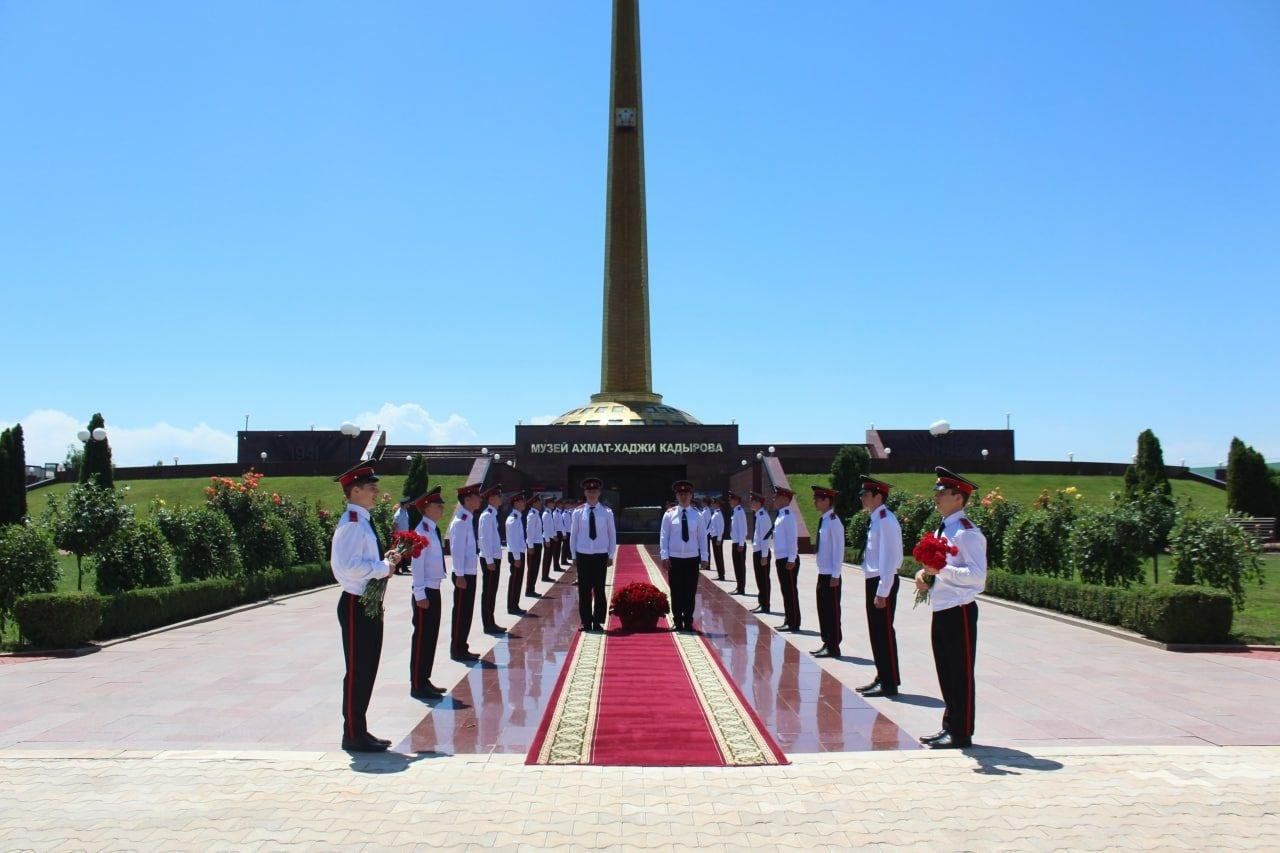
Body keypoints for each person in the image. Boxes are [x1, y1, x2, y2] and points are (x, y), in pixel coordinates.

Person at [330, 462, 402, 752]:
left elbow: (362, 563)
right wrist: (383, 567)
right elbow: (347, 568)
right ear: (355, 490)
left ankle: (360, 728)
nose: (376, 492)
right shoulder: (352, 523)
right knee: (358, 670)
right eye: (371, 488)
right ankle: (353, 733)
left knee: (367, 669)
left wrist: (384, 562)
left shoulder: (363, 521)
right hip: (355, 603)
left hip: (367, 602)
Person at [915, 467, 987, 750]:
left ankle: (961, 731)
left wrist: (940, 570)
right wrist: (925, 577)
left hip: (960, 610)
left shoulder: (967, 533)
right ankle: (950, 724)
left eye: (942, 493)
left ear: (959, 498)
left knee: (960, 673)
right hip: (942, 607)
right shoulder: (943, 528)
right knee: (946, 671)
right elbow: (938, 569)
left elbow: (977, 578)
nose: (936, 497)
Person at [856, 476, 903, 697]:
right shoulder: (876, 518)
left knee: (883, 632)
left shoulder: (886, 520)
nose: (862, 498)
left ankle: (889, 682)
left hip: (882, 581)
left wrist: (883, 590)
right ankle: (882, 675)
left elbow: (891, 558)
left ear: (878, 496)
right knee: (877, 633)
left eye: (866, 494)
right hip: (874, 579)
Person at [409, 486, 447, 699]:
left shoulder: (431, 529)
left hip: (434, 589)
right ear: (426, 508)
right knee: (422, 637)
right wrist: (420, 594)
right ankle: (417, 683)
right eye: (438, 506)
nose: (442, 509)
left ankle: (425, 679)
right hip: (425, 593)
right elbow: (417, 565)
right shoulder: (421, 532)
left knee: (430, 637)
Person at [567, 478, 616, 630]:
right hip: (583, 555)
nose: (592, 494)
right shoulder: (578, 512)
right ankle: (586, 621)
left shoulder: (606, 512)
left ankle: (598, 620)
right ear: (585, 493)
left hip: (600, 555)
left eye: (594, 491)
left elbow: (612, 534)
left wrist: (610, 554)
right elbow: (573, 534)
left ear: (599, 493)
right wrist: (574, 555)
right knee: (584, 589)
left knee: (599, 589)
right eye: (589, 491)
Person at [659, 480, 708, 631]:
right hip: (675, 558)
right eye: (681, 494)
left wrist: (704, 557)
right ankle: (677, 621)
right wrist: (664, 556)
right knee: (676, 590)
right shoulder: (669, 514)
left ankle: (688, 621)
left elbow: (702, 537)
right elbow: (664, 536)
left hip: (692, 558)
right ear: (677, 496)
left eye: (686, 493)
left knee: (690, 591)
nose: (684, 496)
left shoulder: (697, 515)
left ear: (691, 495)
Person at [448, 483, 483, 661]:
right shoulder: (461, 521)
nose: (480, 499)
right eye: (477, 496)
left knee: (466, 612)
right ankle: (457, 649)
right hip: (463, 574)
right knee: (461, 613)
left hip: (468, 572)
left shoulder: (468, 518)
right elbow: (457, 550)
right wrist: (460, 575)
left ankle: (463, 646)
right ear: (467, 499)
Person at [810, 485, 845, 658]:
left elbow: (839, 549)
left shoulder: (833, 521)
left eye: (818, 499)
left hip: (831, 574)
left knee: (832, 611)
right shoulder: (824, 520)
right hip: (823, 572)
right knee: (823, 609)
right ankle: (826, 642)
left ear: (827, 501)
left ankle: (833, 646)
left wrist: (836, 574)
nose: (814, 501)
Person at [476, 484, 506, 635]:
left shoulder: (492, 514)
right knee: (488, 592)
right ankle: (488, 624)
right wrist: (489, 560)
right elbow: (484, 540)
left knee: (491, 592)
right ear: (492, 498)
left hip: (493, 558)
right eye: (499, 496)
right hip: (490, 559)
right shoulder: (487, 515)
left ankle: (491, 621)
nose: (501, 499)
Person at [772, 485, 801, 632]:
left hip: (787, 560)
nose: (774, 499)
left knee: (790, 591)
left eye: (777, 496)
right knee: (786, 591)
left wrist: (791, 559)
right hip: (781, 558)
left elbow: (792, 538)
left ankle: (793, 622)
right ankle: (789, 619)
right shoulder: (782, 514)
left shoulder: (788, 515)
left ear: (785, 498)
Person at [749, 492, 772, 614]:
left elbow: (765, 538)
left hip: (762, 553)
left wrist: (764, 555)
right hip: (758, 552)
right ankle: (762, 603)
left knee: (763, 580)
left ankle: (765, 605)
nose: (750, 503)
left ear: (759, 503)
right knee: (760, 579)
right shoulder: (759, 515)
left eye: (753, 501)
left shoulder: (763, 516)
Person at [505, 491, 528, 616]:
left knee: (518, 581)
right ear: (516, 503)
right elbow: (513, 540)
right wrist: (517, 558)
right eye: (522, 501)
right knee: (514, 581)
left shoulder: (517, 517)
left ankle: (515, 604)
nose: (524, 503)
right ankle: (512, 606)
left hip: (518, 553)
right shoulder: (513, 519)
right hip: (516, 554)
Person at [525, 492, 544, 597]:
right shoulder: (532, 515)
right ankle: (529, 590)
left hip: (537, 544)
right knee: (532, 569)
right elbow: (530, 531)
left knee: (535, 568)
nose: (541, 504)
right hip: (534, 545)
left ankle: (532, 588)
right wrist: (530, 546)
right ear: (534, 503)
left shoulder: (536, 514)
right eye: (539, 502)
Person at [728, 492, 748, 595]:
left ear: (736, 501)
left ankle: (741, 588)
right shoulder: (736, 511)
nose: (730, 501)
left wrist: (741, 544)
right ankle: (739, 586)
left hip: (739, 544)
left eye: (731, 500)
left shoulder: (740, 512)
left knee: (740, 567)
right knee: (737, 566)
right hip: (735, 543)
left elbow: (743, 529)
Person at [392, 498, 413, 575]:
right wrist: (396, 535)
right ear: (404, 504)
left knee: (404, 552)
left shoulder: (405, 511)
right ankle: (396, 569)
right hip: (400, 536)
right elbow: (394, 524)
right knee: (398, 552)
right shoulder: (399, 513)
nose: (408, 504)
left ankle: (404, 568)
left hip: (405, 535)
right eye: (407, 503)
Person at [707, 497, 726, 580]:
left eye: (714, 503)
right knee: (717, 556)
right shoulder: (715, 513)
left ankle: (721, 575)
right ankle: (720, 573)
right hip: (714, 537)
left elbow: (721, 527)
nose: (712, 504)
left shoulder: (718, 514)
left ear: (718, 504)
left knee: (719, 556)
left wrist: (719, 539)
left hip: (717, 538)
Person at [540, 496, 557, 583]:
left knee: (549, 558)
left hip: (550, 538)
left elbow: (551, 527)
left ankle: (546, 575)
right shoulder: (546, 514)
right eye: (552, 502)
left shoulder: (549, 513)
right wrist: (547, 540)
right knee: (547, 558)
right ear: (548, 504)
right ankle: (544, 576)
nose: (554, 504)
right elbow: (546, 528)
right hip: (547, 539)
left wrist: (554, 535)